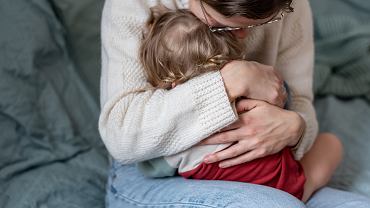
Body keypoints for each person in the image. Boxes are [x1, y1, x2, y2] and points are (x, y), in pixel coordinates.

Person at [99, 0, 370, 207]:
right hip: (148, 170)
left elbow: (300, 101)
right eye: (221, 25)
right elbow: (122, 136)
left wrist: (296, 127)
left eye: (263, 22)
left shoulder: (290, 4)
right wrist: (231, 81)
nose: (242, 37)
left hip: (276, 167)